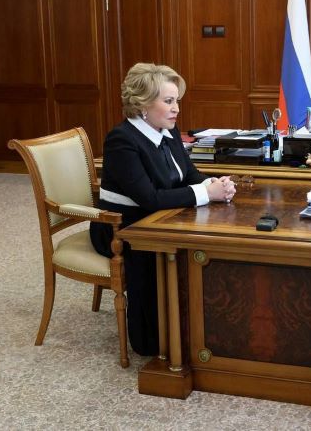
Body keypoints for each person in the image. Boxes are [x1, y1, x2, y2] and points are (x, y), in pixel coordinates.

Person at [90, 62, 236, 356]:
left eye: (176, 101)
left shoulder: (168, 130)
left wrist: (214, 184)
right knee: (165, 251)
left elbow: (189, 174)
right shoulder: (122, 140)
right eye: (168, 101)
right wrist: (205, 194)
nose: (176, 109)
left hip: (161, 218)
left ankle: (200, 330)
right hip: (123, 229)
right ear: (143, 105)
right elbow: (150, 199)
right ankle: (158, 340)